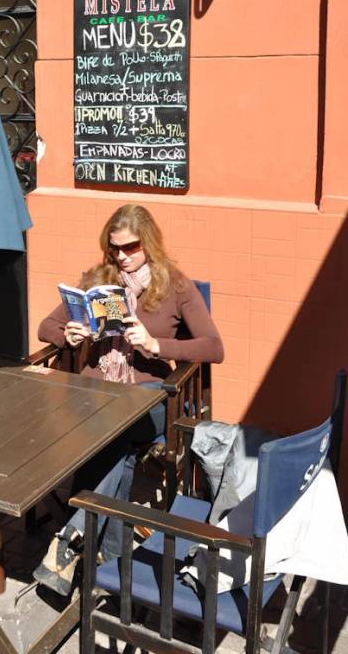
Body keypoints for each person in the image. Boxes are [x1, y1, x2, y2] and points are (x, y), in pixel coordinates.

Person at [33, 204, 224, 595]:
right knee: (116, 448)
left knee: (112, 428)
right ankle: (110, 556)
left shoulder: (175, 287)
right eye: (114, 248)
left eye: (129, 248)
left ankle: (71, 536)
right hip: (95, 391)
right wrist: (66, 334)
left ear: (148, 243)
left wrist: (157, 344)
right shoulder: (98, 279)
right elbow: (45, 326)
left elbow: (214, 347)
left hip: (150, 396)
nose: (121, 256)